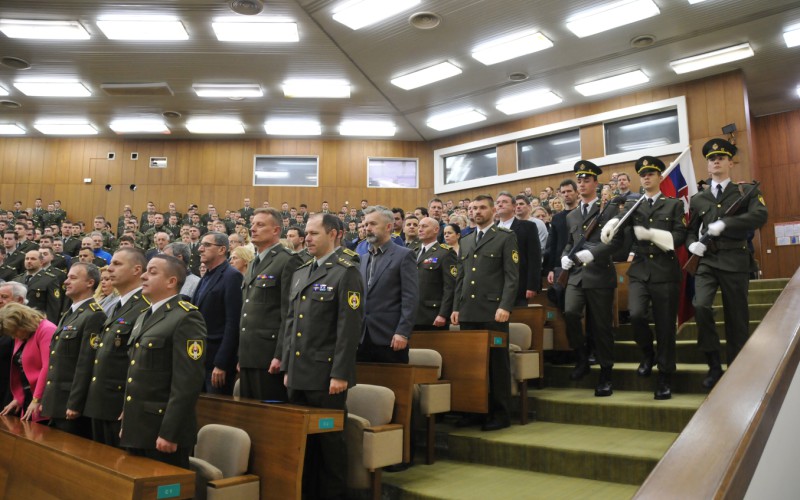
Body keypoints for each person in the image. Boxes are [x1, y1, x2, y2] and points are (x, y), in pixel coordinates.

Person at [281, 213, 363, 500]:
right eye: (306, 233)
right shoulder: (301, 271)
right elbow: (292, 323)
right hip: (299, 373)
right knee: (304, 446)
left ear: (334, 234)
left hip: (327, 375)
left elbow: (349, 328)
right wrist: (288, 366)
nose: (307, 238)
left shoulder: (345, 270)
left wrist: (340, 373)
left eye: (314, 233)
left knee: (330, 447)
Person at [602, 156, 688, 400]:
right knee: (637, 315)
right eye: (643, 174)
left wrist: (652, 235)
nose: (647, 177)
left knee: (665, 328)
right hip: (640, 270)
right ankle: (647, 353)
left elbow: (679, 236)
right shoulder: (634, 205)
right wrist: (612, 223)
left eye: (651, 173)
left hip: (665, 271)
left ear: (660, 177)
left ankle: (664, 377)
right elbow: (619, 225)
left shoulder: (673, 205)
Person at [686, 139, 768, 389]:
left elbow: (760, 216)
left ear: (730, 163)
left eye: (721, 158)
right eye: (712, 159)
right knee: (700, 306)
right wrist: (692, 245)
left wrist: (727, 224)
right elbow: (690, 231)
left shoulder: (746, 192)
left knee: (737, 318)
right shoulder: (699, 198)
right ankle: (713, 364)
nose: (716, 161)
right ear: (708, 166)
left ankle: (737, 367)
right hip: (707, 262)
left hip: (735, 260)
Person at [120, 255, 206, 468]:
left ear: (171, 282)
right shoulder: (144, 317)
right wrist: (128, 420)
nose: (143, 276)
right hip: (137, 425)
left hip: (162, 430)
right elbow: (135, 373)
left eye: (152, 271)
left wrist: (170, 432)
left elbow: (187, 383)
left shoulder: (186, 317)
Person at [450, 194, 518, 431]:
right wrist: (456, 307)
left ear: (493, 211)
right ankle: (475, 411)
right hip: (468, 311)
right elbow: (461, 277)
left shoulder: (505, 237)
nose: (476, 211)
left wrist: (505, 306)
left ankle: (501, 414)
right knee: (472, 366)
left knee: (497, 366)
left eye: (481, 207)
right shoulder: (466, 241)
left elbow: (511, 276)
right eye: (472, 208)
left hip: (493, 311)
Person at [560, 161, 622, 397]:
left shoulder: (609, 211)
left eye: (587, 180)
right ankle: (582, 357)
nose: (582, 184)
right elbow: (569, 242)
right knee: (571, 313)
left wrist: (593, 252)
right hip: (576, 276)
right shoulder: (572, 215)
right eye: (580, 180)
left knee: (602, 326)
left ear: (596, 183)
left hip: (599, 275)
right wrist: (565, 256)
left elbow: (616, 243)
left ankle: (606, 373)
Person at [83, 248, 149, 446]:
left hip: (119, 405)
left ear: (137, 270)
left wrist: (132, 406)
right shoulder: (119, 305)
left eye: (117, 264)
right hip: (101, 402)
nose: (109, 269)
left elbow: (141, 364)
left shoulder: (145, 306)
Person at [239, 208, 301, 401]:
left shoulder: (287, 260)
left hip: (269, 355)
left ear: (275, 230)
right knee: (249, 416)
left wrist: (281, 354)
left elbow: (289, 312)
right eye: (252, 224)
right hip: (250, 353)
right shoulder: (254, 262)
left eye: (260, 225)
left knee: (269, 419)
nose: (253, 229)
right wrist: (242, 355)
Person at [40, 262, 106, 437]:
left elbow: (85, 363)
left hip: (70, 402)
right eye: (67, 277)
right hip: (56, 399)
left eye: (73, 278)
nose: (66, 282)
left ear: (90, 283)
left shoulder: (94, 315)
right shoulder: (70, 313)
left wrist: (75, 403)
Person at [358, 206, 418, 364]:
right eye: (365, 225)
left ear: (389, 227)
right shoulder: (363, 259)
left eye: (372, 224)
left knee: (392, 387)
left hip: (390, 337)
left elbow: (410, 298)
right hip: (362, 338)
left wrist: (403, 332)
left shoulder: (404, 255)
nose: (367, 229)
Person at [193, 232, 243, 395]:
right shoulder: (205, 277)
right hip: (199, 358)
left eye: (207, 245)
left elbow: (233, 322)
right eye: (201, 245)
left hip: (217, 362)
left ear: (222, 250)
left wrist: (221, 363)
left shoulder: (231, 276)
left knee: (215, 412)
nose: (200, 249)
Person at [0, 302, 57, 422]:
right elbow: (19, 367)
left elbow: (48, 366)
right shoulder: (22, 334)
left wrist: (37, 399)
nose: (13, 335)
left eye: (14, 332)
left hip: (42, 398)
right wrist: (18, 398)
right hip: (28, 396)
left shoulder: (46, 329)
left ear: (23, 323)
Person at [495, 191, 541, 306]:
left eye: (505, 202)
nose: (500, 204)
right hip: (494, 288)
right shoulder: (491, 229)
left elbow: (534, 258)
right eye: (498, 202)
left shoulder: (528, 227)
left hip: (519, 285)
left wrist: (532, 286)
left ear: (514, 207)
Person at [414, 218, 456, 331]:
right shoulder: (413, 251)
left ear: (436, 229)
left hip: (432, 315)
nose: (420, 229)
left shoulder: (445, 253)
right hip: (412, 314)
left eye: (424, 226)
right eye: (419, 226)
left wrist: (443, 314)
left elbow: (450, 287)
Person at [14, 249, 63, 323]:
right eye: (27, 259)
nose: (29, 261)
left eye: (33, 259)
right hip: (18, 321)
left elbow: (53, 308)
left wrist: (49, 326)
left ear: (41, 262)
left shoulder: (49, 279)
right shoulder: (17, 279)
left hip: (37, 322)